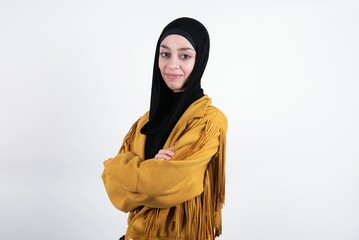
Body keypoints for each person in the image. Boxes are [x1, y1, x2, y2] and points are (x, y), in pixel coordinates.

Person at [102, 17, 227, 240]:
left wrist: (132, 169)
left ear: (200, 61)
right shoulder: (145, 122)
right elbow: (112, 185)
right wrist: (151, 168)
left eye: (185, 56)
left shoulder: (208, 121)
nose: (172, 64)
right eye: (165, 53)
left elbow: (165, 186)